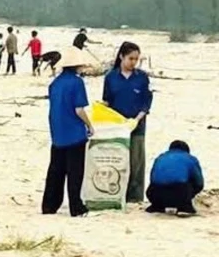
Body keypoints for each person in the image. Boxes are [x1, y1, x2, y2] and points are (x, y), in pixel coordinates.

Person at [42, 48, 94, 216]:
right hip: (74, 132)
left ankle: (49, 205)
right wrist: (89, 125)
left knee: (56, 171)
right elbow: (79, 109)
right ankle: (76, 206)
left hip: (57, 130)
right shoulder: (77, 83)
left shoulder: (55, 83)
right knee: (75, 172)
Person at [103, 41, 153, 205]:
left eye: (136, 59)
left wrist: (136, 119)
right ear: (121, 56)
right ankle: (116, 194)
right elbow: (107, 101)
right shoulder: (110, 77)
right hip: (116, 126)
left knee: (136, 162)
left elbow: (146, 103)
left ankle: (135, 197)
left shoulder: (142, 78)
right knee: (117, 160)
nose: (133, 62)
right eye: (130, 58)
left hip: (137, 125)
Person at [146, 140, 204, 215]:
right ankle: (185, 207)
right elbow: (199, 182)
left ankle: (157, 206)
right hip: (180, 193)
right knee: (189, 182)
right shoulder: (190, 158)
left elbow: (153, 178)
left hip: (155, 193)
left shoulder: (160, 157)